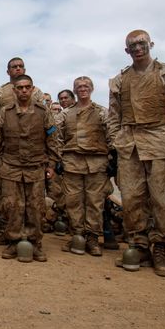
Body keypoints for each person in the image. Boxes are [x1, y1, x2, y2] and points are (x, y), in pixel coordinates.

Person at [107, 29, 165, 277]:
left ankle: (161, 246)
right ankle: (138, 244)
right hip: (129, 145)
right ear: (126, 50)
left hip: (160, 141)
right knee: (131, 198)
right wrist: (116, 142)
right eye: (132, 45)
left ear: (150, 44)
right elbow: (113, 116)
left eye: (142, 43)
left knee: (160, 198)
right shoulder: (119, 80)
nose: (138, 48)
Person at [0, 75, 60, 261]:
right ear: (14, 90)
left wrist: (52, 164)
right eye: (20, 87)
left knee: (36, 207)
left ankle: (35, 243)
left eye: (27, 87)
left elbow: (52, 139)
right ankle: (13, 242)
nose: (23, 90)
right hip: (11, 166)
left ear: (32, 89)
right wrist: (0, 163)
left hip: (35, 166)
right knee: (12, 206)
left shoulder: (43, 112)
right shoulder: (5, 112)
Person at [0, 58, 50, 242]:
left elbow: (48, 129)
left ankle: (32, 239)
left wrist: (50, 161)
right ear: (8, 71)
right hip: (9, 158)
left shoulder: (38, 97)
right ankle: (10, 235)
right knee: (9, 201)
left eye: (21, 66)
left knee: (34, 203)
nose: (18, 69)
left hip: (34, 158)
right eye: (14, 67)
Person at [57, 76, 112, 256]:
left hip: (97, 163)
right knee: (73, 202)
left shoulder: (102, 112)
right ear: (74, 90)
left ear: (92, 88)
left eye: (86, 86)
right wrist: (58, 159)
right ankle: (77, 236)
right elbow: (57, 138)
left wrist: (113, 158)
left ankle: (93, 238)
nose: (82, 89)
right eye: (79, 86)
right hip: (72, 163)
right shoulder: (65, 114)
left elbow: (111, 135)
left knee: (95, 202)